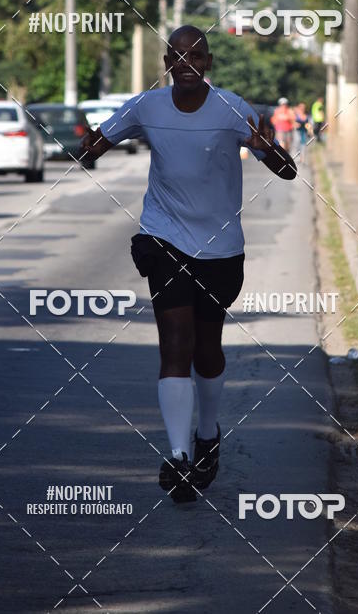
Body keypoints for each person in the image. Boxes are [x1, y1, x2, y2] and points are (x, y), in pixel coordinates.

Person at [79, 25, 297, 503]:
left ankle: (207, 434)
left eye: (195, 55)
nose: (186, 63)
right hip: (164, 239)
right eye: (177, 55)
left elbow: (287, 171)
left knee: (207, 350)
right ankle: (179, 457)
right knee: (175, 343)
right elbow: (94, 147)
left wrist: (267, 148)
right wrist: (85, 146)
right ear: (166, 63)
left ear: (208, 62)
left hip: (220, 249)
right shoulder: (147, 106)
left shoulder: (232, 108)